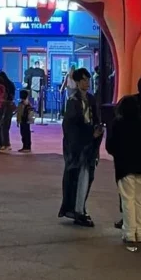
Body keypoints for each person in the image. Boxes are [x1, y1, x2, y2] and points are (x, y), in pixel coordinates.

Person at [107, 94, 141, 248]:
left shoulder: (117, 123)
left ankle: (129, 233)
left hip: (125, 167)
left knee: (127, 200)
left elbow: (111, 146)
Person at [59, 68, 103, 226]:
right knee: (77, 178)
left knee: (86, 177)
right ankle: (77, 210)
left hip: (89, 146)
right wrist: (90, 133)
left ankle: (80, 208)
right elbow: (71, 126)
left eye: (88, 80)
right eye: (83, 80)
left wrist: (97, 131)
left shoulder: (90, 99)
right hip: (77, 148)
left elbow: (96, 119)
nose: (87, 83)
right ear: (77, 82)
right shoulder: (73, 101)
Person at [0, 70, 16, 152]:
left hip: (5, 106)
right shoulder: (11, 84)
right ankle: (3, 143)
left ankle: (6, 144)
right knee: (5, 125)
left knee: (3, 125)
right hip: (10, 105)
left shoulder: (3, 87)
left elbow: (4, 97)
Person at [16, 89, 33, 153]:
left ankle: (26, 146)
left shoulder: (22, 104)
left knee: (24, 133)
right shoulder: (28, 103)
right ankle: (26, 146)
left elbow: (19, 113)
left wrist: (18, 121)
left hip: (24, 120)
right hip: (26, 121)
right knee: (26, 133)